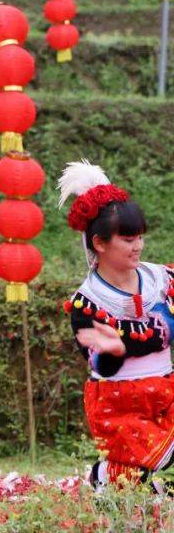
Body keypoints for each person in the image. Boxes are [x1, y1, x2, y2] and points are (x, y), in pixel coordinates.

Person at [58, 160, 174, 491]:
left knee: (151, 479)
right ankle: (107, 475)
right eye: (127, 239)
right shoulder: (87, 302)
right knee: (158, 467)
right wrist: (114, 350)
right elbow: (101, 364)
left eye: (139, 237)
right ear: (99, 243)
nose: (137, 246)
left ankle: (113, 477)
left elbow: (168, 324)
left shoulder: (162, 279)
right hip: (120, 402)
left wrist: (134, 338)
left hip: (166, 390)